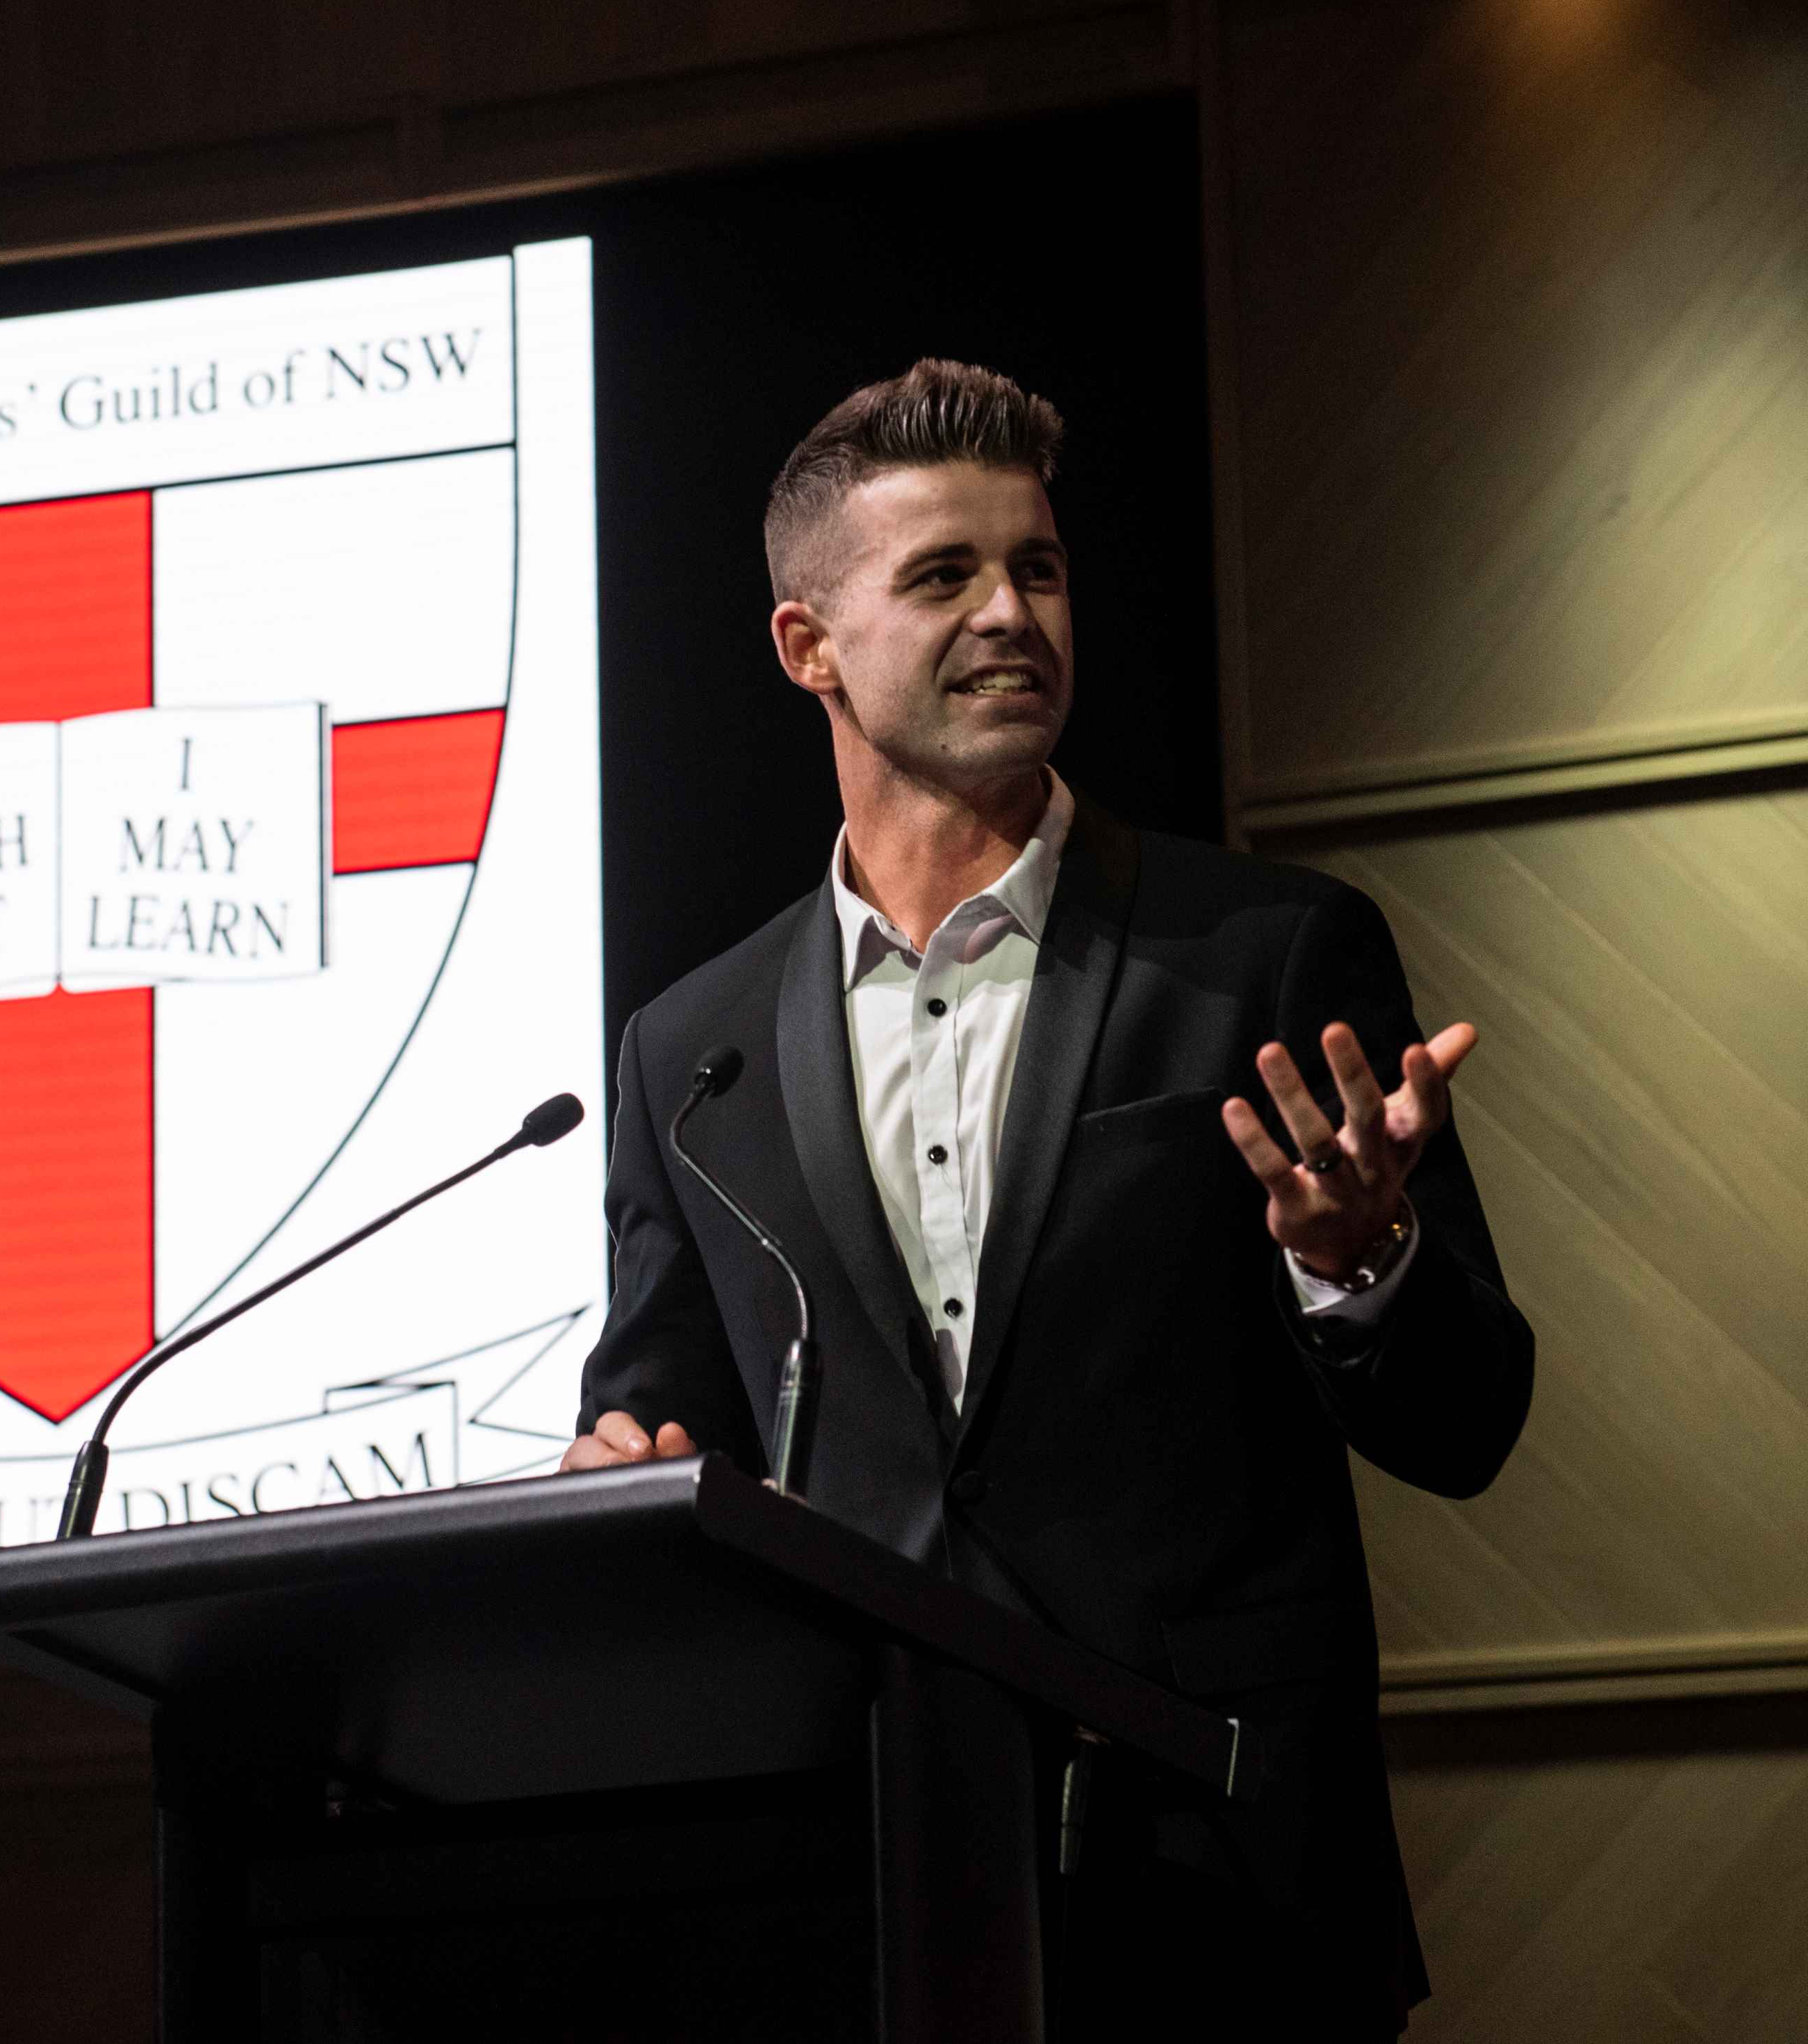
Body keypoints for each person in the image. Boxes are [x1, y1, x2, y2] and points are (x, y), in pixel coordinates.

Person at [565, 360, 1535, 2036]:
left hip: (1221, 1896)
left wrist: (1362, 1261)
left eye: (1040, 568)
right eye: (942, 575)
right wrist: (623, 1468)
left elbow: (1469, 1416)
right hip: (864, 1897)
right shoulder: (690, 1052)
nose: (1011, 612)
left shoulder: (1263, 954)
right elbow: (662, 1404)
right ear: (809, 647)